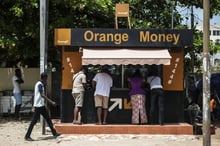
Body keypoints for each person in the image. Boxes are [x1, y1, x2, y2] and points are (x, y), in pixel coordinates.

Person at [24, 72, 60, 141]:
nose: (47, 80)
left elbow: (34, 95)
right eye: (46, 78)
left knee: (48, 120)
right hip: (38, 106)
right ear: (44, 78)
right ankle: (27, 136)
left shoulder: (38, 84)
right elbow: (42, 95)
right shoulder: (40, 84)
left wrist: (33, 105)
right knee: (33, 122)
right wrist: (51, 102)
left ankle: (54, 133)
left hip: (41, 105)